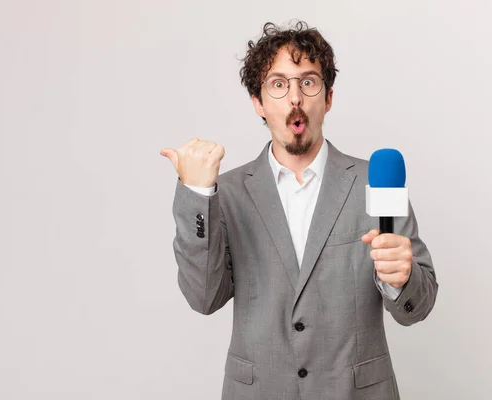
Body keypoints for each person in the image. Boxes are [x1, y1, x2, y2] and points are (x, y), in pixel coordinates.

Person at [160, 21, 438, 400]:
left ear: (328, 98)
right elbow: (203, 297)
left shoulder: (376, 183)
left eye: (308, 82)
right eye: (278, 84)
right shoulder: (227, 193)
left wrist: (401, 279)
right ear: (258, 101)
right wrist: (197, 192)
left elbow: (415, 308)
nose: (295, 98)